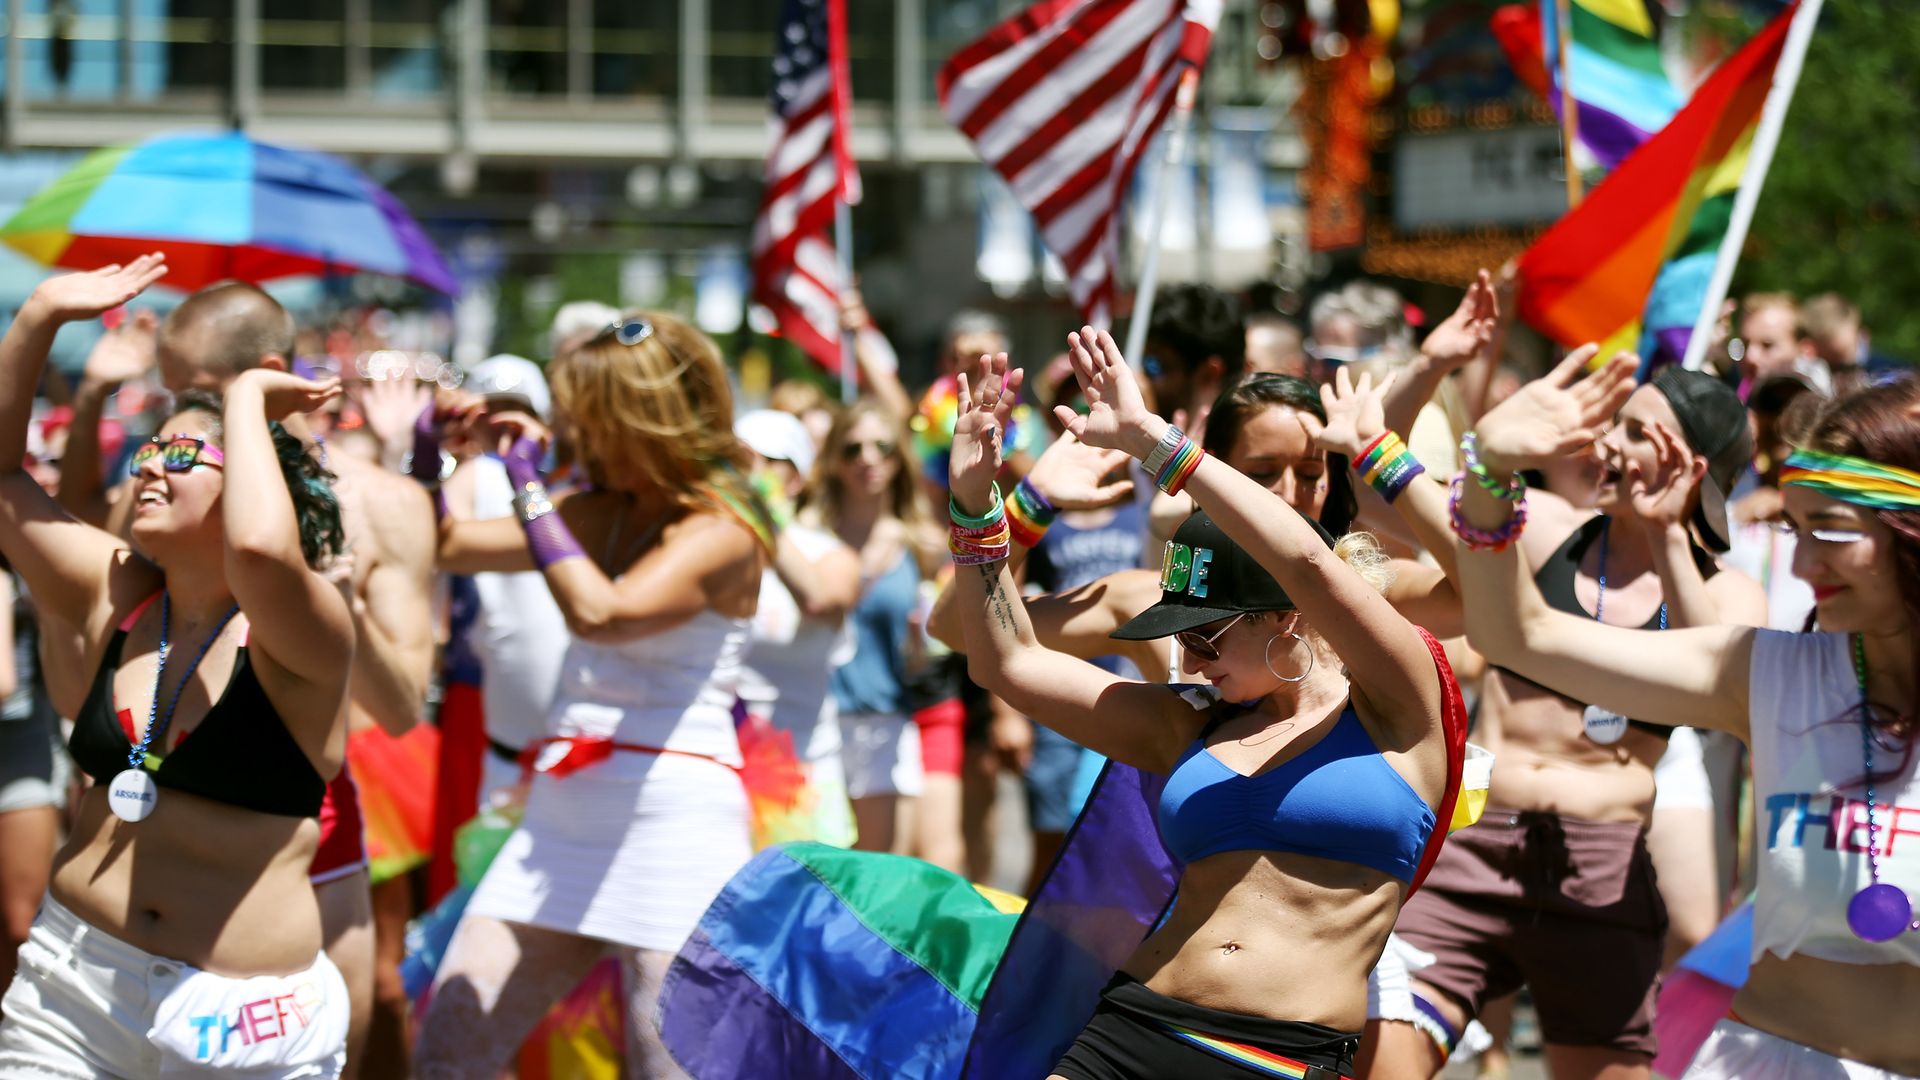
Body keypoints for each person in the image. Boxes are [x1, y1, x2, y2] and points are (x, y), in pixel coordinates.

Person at [951, 336, 1459, 1079]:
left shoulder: (1397, 704)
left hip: (1278, 1058)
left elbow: (1309, 561)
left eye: (1207, 633)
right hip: (1130, 1029)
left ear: (1284, 617)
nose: (1188, 657)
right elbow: (1006, 660)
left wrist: (1154, 443)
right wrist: (974, 502)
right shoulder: (1188, 720)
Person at [1449, 356, 1920, 1078]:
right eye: (1795, 532)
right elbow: (1519, 636)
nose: (1801, 570)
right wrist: (1488, 469)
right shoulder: (1771, 676)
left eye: (1828, 530)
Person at [1310, 355, 1768, 1079]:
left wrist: (1670, 534)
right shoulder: (1552, 525)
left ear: (1694, 465)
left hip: (1602, 873)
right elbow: (1405, 500)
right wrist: (1399, 408)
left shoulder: (1733, 594)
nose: (1611, 444)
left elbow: (1709, 675)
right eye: (1614, 424)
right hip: (1466, 848)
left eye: (1639, 433)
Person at [55, 279, 439, 1077]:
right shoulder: (169, 471)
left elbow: (401, 708)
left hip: (308, 804)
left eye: (192, 389)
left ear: (262, 374)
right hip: (156, 782)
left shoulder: (383, 503)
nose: (175, 413)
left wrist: (325, 607)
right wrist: (92, 393)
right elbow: (77, 544)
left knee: (363, 1014)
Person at [0, 256, 358, 1076]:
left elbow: (262, 550)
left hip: (243, 1021)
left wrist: (244, 398)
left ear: (252, 487)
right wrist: (40, 315)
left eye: (184, 455)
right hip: (74, 983)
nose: (152, 464)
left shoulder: (310, 624)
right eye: (150, 449)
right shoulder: (114, 585)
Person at [414, 312, 771, 1077]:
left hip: (674, 821)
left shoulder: (724, 528)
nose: (570, 423)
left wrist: (528, 486)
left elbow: (600, 612)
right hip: (562, 820)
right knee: (447, 1044)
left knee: (666, 1063)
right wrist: (429, 452)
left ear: (640, 418)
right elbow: (443, 544)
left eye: (587, 410)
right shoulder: (592, 508)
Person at [796, 399, 944, 859]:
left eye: (882, 447)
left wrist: (926, 642)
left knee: (881, 879)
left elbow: (926, 655)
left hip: (886, 724)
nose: (868, 459)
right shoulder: (804, 535)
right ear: (834, 461)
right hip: (812, 723)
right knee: (820, 872)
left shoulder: (921, 543)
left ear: (899, 457)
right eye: (852, 449)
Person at [734, 408, 863, 848]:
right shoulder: (711, 549)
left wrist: (763, 519)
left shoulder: (831, 553)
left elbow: (821, 598)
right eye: (739, 460)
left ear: (796, 478)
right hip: (725, 771)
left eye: (767, 461)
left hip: (806, 774)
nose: (749, 473)